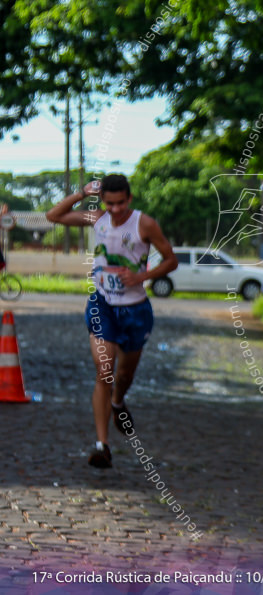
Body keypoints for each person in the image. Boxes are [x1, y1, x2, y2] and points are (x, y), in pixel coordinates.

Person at [45, 174, 178, 468]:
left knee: (124, 375)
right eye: (109, 203)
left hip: (135, 310)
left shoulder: (144, 223)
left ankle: (118, 402)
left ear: (129, 199)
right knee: (104, 370)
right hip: (102, 304)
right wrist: (81, 193)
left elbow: (171, 259)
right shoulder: (97, 217)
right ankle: (102, 445)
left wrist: (141, 276)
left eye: (120, 203)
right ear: (102, 200)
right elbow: (53, 215)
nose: (115, 210)